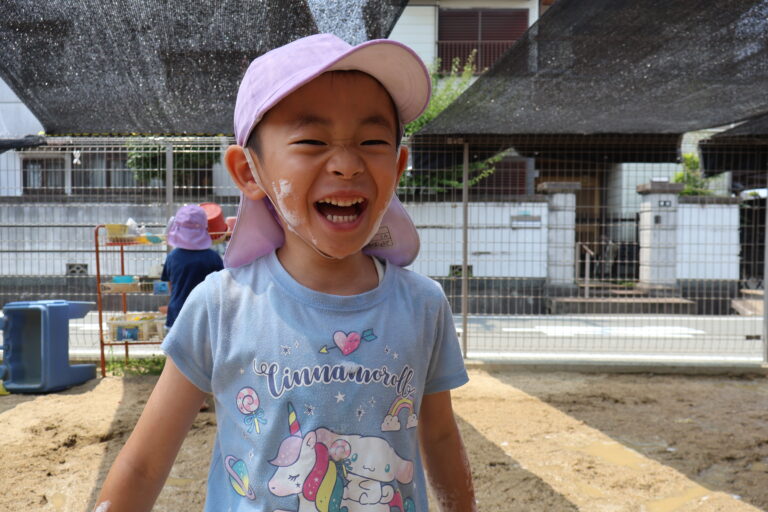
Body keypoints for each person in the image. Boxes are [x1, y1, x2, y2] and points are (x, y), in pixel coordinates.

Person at [94, 33, 476, 512]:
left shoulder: (423, 306)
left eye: (373, 141)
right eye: (312, 141)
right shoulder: (221, 307)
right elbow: (145, 464)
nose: (346, 164)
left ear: (398, 166)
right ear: (249, 171)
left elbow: (439, 437)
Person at [161, 204, 224, 331]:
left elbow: (170, 285)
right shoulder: (213, 257)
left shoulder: (172, 257)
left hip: (177, 314)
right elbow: (221, 289)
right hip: (206, 317)